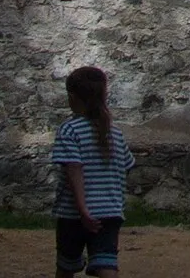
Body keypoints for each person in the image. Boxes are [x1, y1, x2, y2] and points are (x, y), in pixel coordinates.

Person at [52, 65, 136, 278]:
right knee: (107, 266)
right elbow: (126, 166)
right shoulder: (114, 133)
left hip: (74, 215)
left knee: (66, 266)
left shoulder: (70, 130)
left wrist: (83, 210)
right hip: (109, 213)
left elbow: (74, 169)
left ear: (72, 97)